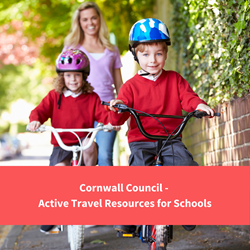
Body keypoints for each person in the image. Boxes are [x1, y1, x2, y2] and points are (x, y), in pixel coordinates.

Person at [109, 18, 215, 233]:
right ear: (135, 55)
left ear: (166, 53)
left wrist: (200, 105)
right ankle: (130, 218)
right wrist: (118, 107)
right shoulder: (130, 87)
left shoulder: (174, 79)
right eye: (145, 54)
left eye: (158, 53)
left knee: (186, 167)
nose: (153, 60)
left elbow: (188, 98)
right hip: (141, 141)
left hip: (170, 139)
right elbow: (117, 118)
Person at [63, 1, 123, 166]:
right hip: (80, 109)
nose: (90, 23)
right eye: (85, 19)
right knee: (82, 156)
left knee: (105, 156)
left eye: (93, 18)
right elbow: (63, 80)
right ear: (79, 23)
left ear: (99, 19)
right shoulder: (72, 48)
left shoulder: (111, 49)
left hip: (106, 109)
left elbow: (119, 83)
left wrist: (125, 109)